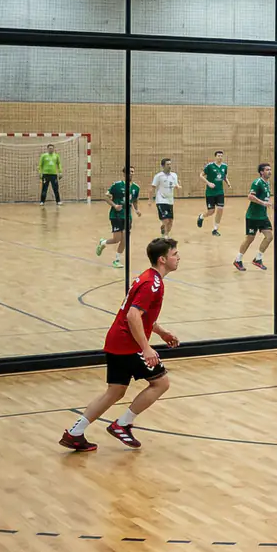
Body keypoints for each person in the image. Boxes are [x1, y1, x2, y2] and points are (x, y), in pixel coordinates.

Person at [58, 238, 182, 452]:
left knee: (115, 391)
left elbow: (138, 315)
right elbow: (133, 315)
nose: (178, 257)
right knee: (161, 383)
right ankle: (122, 424)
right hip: (128, 344)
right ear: (162, 259)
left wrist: (161, 332)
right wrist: (145, 348)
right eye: (174, 254)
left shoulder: (147, 278)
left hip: (116, 340)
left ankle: (74, 433)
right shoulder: (152, 284)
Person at [96, 167, 140, 270]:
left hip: (127, 216)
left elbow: (135, 201)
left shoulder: (136, 188)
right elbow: (106, 197)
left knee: (125, 239)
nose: (131, 174)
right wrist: (114, 205)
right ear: (124, 174)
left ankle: (117, 260)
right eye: (129, 172)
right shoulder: (117, 185)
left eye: (133, 172)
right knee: (117, 239)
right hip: (116, 215)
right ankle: (103, 243)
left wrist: (137, 210)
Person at [234, 163, 273, 272]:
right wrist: (263, 203)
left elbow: (264, 197)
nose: (270, 171)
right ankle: (238, 259)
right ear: (261, 172)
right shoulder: (257, 183)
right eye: (267, 170)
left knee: (269, 237)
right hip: (253, 216)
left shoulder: (267, 183)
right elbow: (250, 196)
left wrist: (269, 203)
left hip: (262, 216)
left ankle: (258, 258)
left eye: (270, 169)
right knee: (249, 239)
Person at [196, 150, 230, 235]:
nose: (220, 157)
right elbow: (201, 175)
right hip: (210, 192)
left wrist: (228, 183)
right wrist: (209, 183)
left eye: (221, 156)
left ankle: (215, 229)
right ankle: (201, 216)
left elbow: (224, 176)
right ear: (215, 157)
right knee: (211, 211)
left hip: (220, 192)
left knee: (220, 209)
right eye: (218, 156)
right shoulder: (210, 166)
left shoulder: (225, 166)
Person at [149, 158, 179, 239]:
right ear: (163, 166)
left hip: (170, 201)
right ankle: (165, 236)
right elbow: (152, 187)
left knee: (171, 221)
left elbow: (176, 185)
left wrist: (178, 187)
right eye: (167, 164)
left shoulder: (174, 175)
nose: (169, 166)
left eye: (170, 164)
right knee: (166, 220)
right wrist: (150, 200)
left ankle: (163, 228)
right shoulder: (158, 176)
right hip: (161, 200)